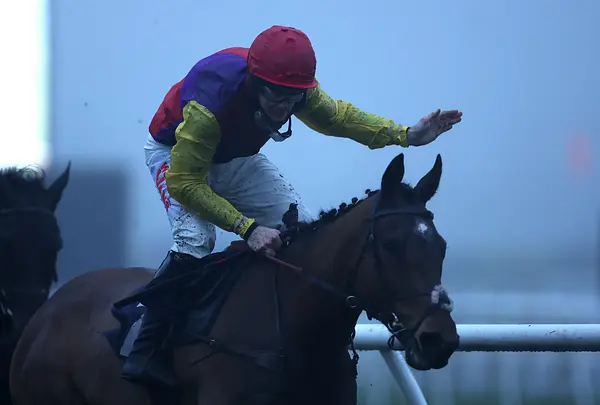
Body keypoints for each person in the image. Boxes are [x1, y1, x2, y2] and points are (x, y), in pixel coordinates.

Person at [121, 25, 463, 385]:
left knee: (301, 230)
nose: (285, 108)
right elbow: (185, 183)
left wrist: (407, 135)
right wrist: (246, 228)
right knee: (195, 240)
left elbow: (340, 118)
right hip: (176, 157)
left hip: (234, 157)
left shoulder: (293, 88)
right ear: (255, 85)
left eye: (293, 100)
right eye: (278, 98)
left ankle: (274, 337)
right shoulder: (210, 105)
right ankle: (143, 342)